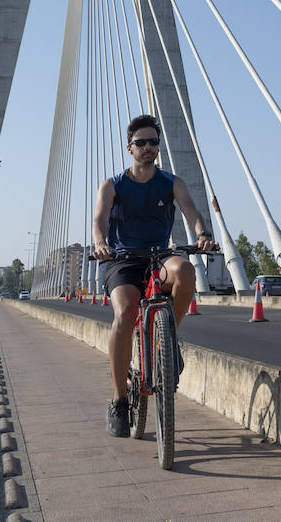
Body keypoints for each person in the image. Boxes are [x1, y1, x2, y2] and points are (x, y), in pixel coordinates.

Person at [94, 115, 218, 436]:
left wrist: (202, 234)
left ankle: (168, 339)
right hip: (122, 259)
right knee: (125, 313)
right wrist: (100, 243)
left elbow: (192, 212)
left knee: (186, 270)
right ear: (129, 148)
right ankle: (120, 400)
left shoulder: (171, 183)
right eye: (141, 143)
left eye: (153, 143)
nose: (148, 148)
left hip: (158, 257)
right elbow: (99, 219)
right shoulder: (113, 185)